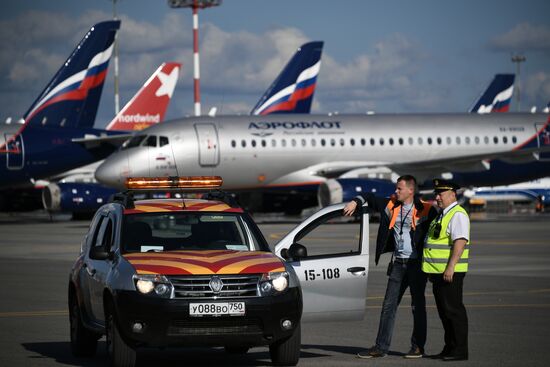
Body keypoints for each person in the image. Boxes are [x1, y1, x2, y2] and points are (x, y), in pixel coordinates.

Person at [343, 175, 437, 359]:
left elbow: (439, 233)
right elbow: (369, 197)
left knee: (417, 307)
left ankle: (418, 347)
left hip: (416, 265)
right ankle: (380, 347)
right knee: (388, 306)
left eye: (399, 189)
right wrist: (355, 202)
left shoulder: (426, 209)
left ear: (411, 190)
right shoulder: (391, 205)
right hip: (398, 264)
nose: (396, 191)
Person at [422, 179, 470, 361]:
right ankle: (449, 348)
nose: (437, 197)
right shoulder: (443, 214)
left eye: (440, 194)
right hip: (438, 273)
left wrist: (450, 267)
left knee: (453, 311)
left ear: (452, 194)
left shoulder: (457, 214)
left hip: (450, 273)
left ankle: (459, 350)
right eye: (436, 193)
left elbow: (460, 241)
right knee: (444, 312)